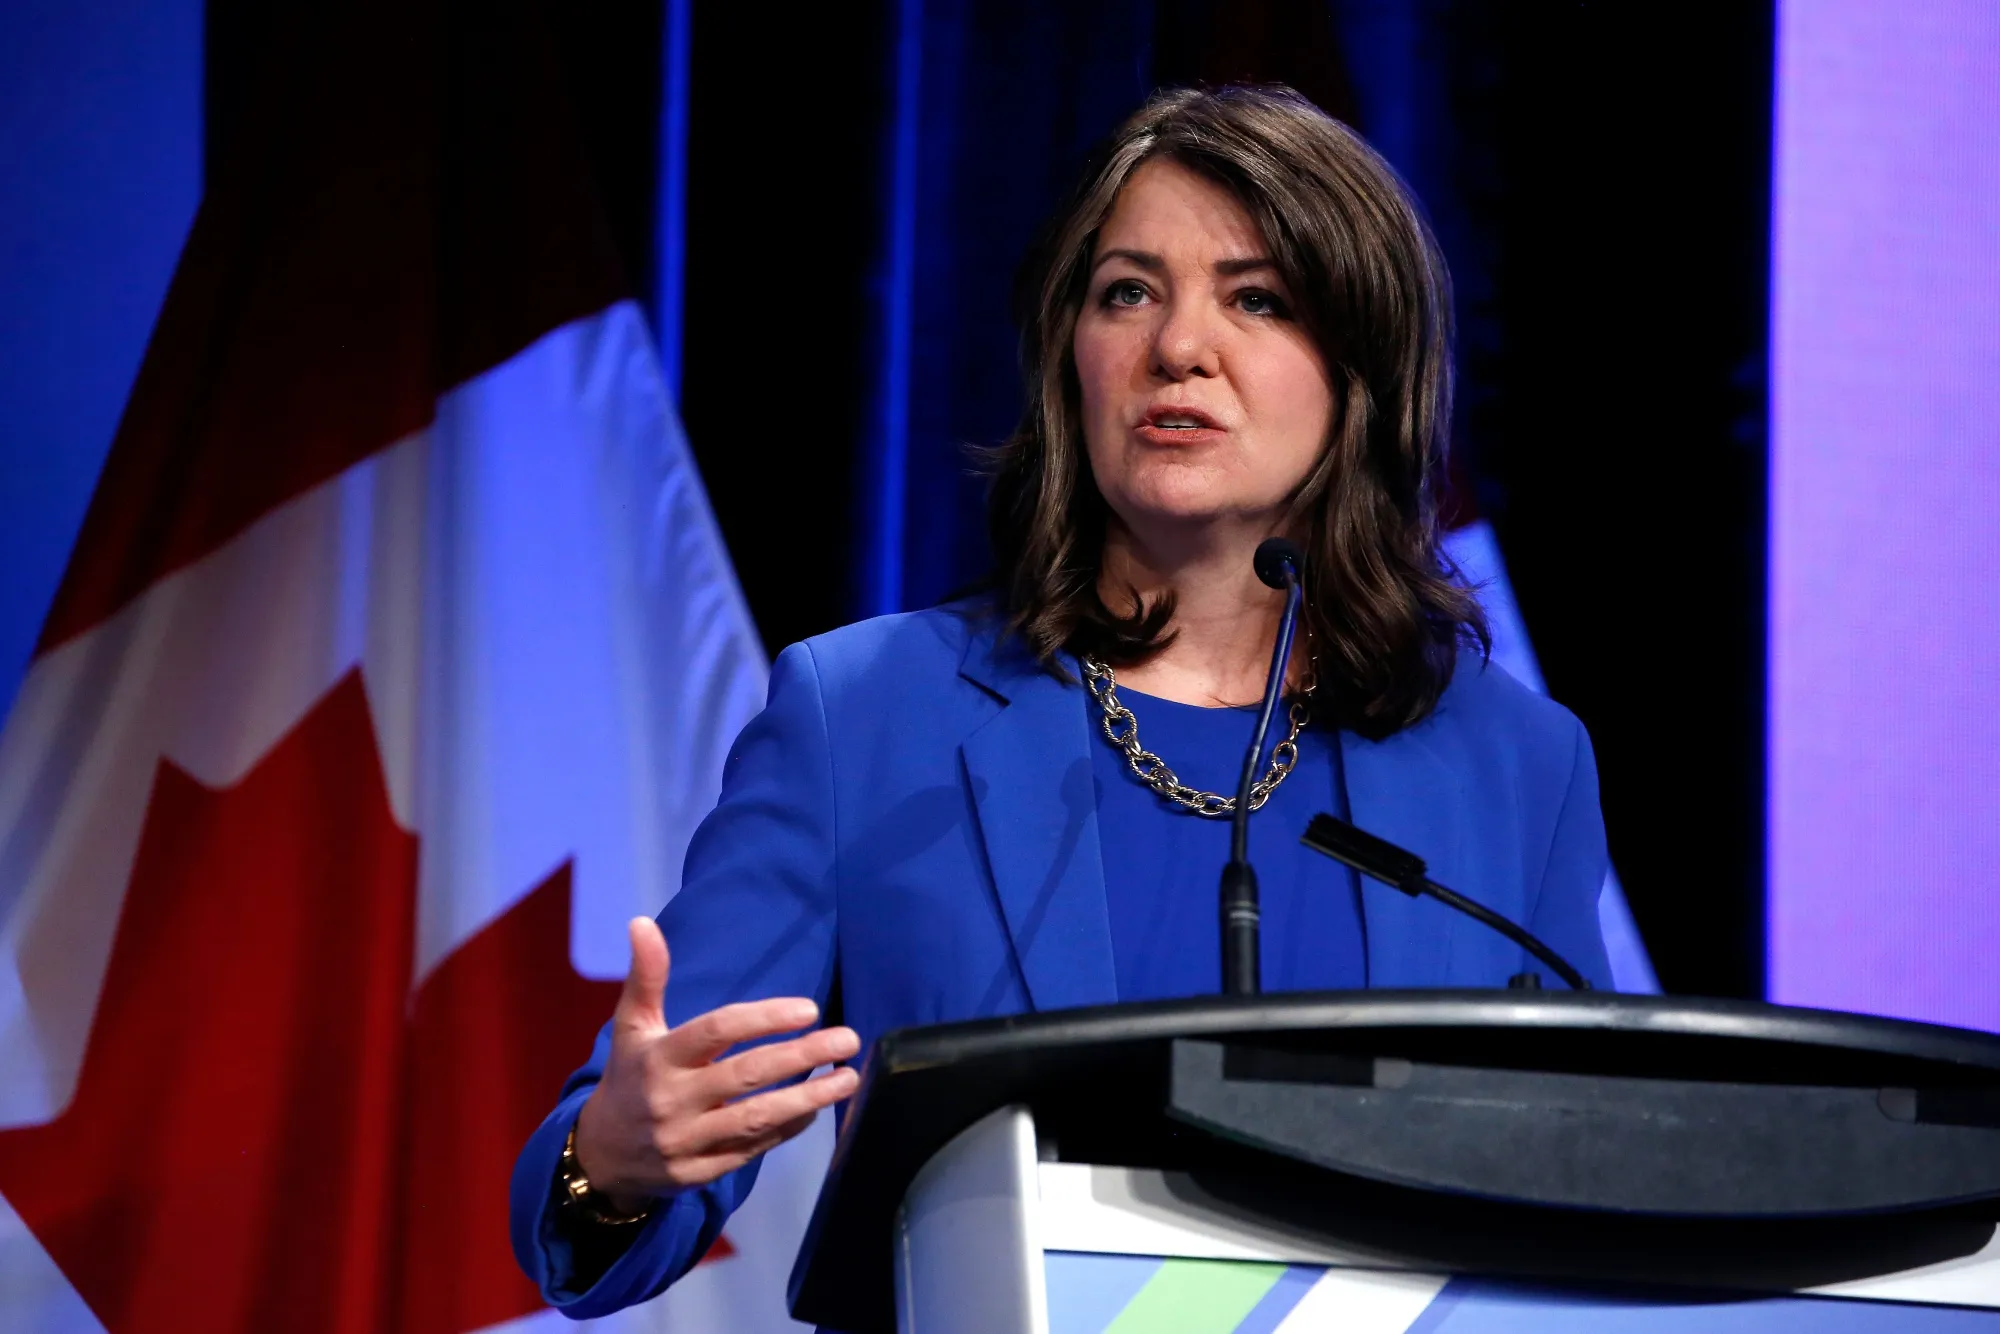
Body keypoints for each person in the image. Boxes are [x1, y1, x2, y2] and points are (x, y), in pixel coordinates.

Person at [509, 83, 1613, 1318]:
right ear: (1066, 357)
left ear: (1361, 370)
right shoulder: (864, 716)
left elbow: (1589, 1184)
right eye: (1126, 292)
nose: (1177, 346)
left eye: (1255, 298)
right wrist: (612, 1158)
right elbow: (615, 1171)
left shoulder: (1514, 762)